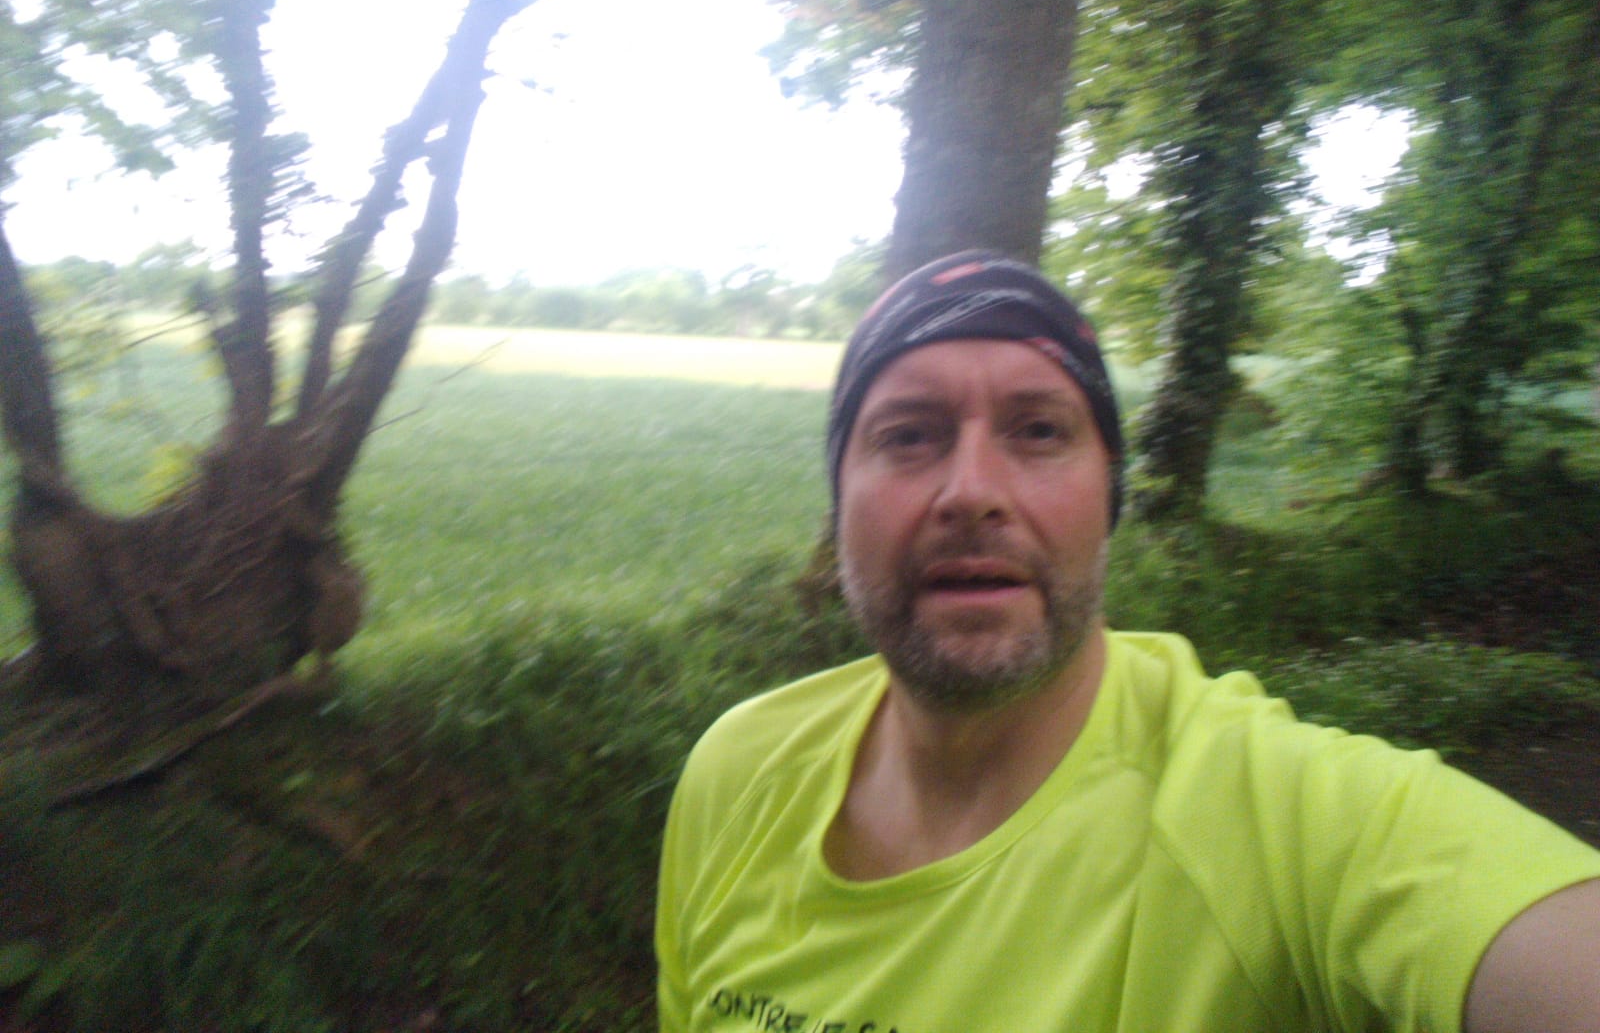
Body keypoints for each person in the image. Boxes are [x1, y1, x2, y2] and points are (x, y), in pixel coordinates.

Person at [655, 250, 1600, 1033]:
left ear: (1107, 497)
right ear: (840, 502)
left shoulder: (1269, 818)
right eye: (909, 435)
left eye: (1038, 430)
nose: (971, 491)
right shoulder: (738, 771)